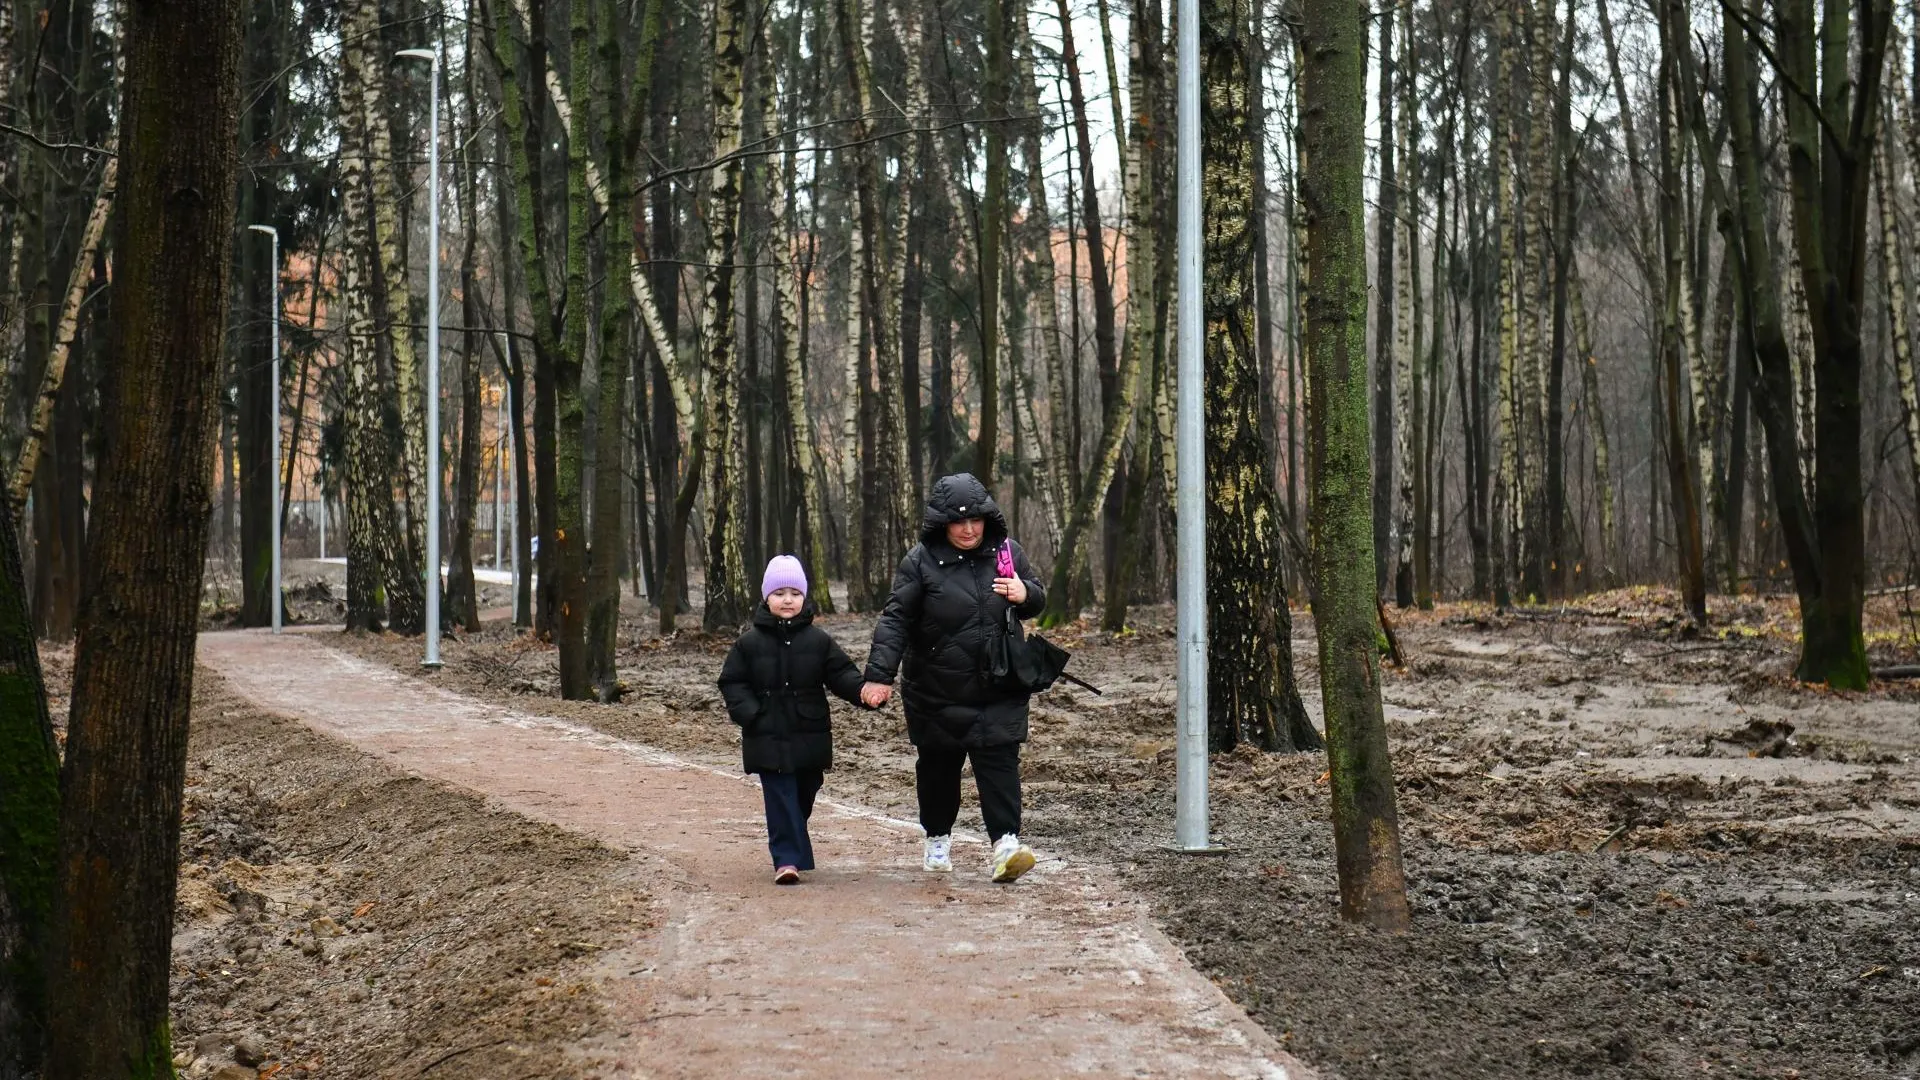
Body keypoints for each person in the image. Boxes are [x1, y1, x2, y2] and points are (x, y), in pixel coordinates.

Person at [860, 473, 1047, 883]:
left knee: (1000, 765)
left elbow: (1036, 596)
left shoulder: (1007, 551)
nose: (968, 529)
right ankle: (937, 839)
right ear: (941, 523)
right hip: (936, 689)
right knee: (939, 770)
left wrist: (1025, 594)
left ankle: (1006, 845)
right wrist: (878, 676)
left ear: (987, 517)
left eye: (975, 520)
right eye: (958, 522)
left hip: (999, 683)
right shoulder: (919, 562)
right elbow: (895, 621)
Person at [718, 555, 868, 884]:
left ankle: (792, 843)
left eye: (795, 593)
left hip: (809, 733)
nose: (788, 600)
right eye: (780, 593)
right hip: (766, 734)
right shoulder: (748, 643)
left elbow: (842, 674)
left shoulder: (819, 641)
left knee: (804, 791)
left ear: (804, 597)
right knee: (779, 794)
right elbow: (732, 681)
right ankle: (786, 860)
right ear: (766, 597)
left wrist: (865, 694)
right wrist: (750, 713)